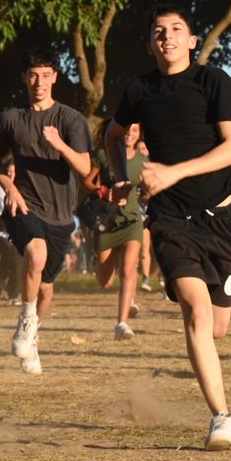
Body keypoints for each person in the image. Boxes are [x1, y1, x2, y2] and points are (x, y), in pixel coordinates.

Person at [105, 4, 231, 451]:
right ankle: (222, 418)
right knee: (196, 312)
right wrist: (118, 177)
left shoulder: (213, 81)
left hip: (221, 219)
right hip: (168, 219)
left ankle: (214, 389)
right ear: (150, 44)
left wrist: (174, 171)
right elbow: (112, 134)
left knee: (217, 326)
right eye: (158, 31)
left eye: (176, 29)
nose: (166, 36)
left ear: (191, 40)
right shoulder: (139, 90)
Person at [0, 49, 92, 375]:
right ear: (24, 78)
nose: (39, 82)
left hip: (61, 215)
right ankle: (25, 320)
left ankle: (32, 335)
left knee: (46, 287)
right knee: (35, 254)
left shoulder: (70, 119)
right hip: (23, 204)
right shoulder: (11, 118)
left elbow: (85, 167)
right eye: (33, 75)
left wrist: (60, 144)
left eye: (46, 75)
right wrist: (10, 187)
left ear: (55, 78)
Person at [85, 120, 146, 340]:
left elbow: (148, 191)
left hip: (132, 220)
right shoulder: (103, 155)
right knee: (105, 281)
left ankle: (122, 324)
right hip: (107, 222)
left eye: (135, 130)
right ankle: (107, 272)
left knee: (129, 270)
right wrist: (102, 191)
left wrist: (146, 195)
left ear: (140, 135)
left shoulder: (143, 162)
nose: (130, 134)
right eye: (127, 130)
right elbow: (86, 182)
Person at [0, 171, 22, 304]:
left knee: (18, 260)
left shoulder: (23, 186)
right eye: (9, 172)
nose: (12, 174)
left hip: (19, 227)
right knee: (8, 257)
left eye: (14, 172)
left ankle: (14, 294)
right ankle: (2, 278)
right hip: (2, 229)